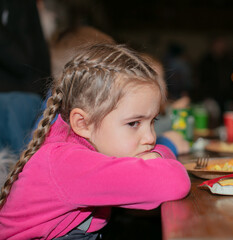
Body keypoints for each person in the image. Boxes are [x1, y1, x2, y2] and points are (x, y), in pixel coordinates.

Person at [0, 43, 191, 239]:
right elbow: (175, 181)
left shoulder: (77, 144)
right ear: (82, 123)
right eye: (134, 123)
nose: (150, 137)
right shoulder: (70, 164)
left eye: (152, 122)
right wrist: (158, 157)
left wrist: (156, 156)